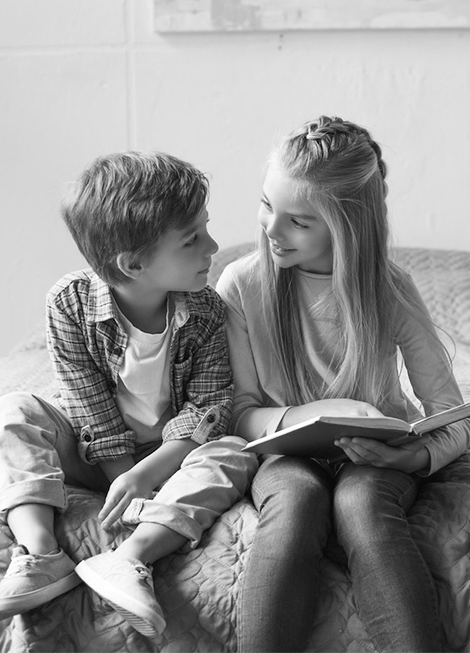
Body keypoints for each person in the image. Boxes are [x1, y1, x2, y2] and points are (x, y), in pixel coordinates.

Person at [216, 116, 470, 653]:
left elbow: (451, 410)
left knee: (361, 505)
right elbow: (239, 411)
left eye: (299, 222)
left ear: (348, 226)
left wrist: (410, 461)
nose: (271, 230)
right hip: (282, 456)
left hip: (373, 459)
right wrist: (308, 415)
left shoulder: (390, 288)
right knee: (296, 502)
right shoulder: (241, 283)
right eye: (267, 206)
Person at [0, 151, 258, 638]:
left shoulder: (205, 310)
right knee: (14, 410)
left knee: (234, 451)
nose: (214, 246)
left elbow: (209, 408)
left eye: (206, 228)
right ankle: (40, 554)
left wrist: (147, 475)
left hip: (171, 461)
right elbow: (85, 404)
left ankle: (129, 559)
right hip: (90, 450)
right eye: (192, 239)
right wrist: (122, 476)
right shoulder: (69, 303)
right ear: (133, 264)